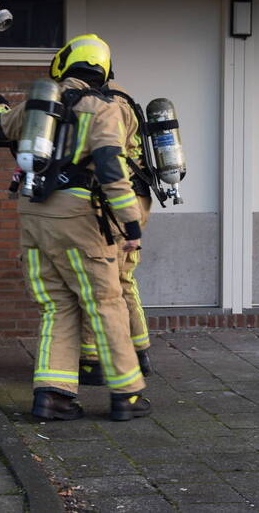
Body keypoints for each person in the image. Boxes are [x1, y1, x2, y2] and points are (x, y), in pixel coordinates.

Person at [0, 34, 151, 422]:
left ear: (63, 65)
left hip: (34, 215)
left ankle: (54, 396)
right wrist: (130, 223)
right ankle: (126, 394)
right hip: (79, 218)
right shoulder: (105, 107)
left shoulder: (39, 104)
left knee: (55, 305)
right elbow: (111, 164)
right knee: (104, 303)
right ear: (104, 71)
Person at [79, 79, 154, 385]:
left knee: (100, 282)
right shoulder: (125, 100)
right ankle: (139, 352)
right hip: (136, 199)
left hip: (118, 203)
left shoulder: (107, 107)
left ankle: (92, 360)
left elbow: (109, 162)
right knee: (123, 279)